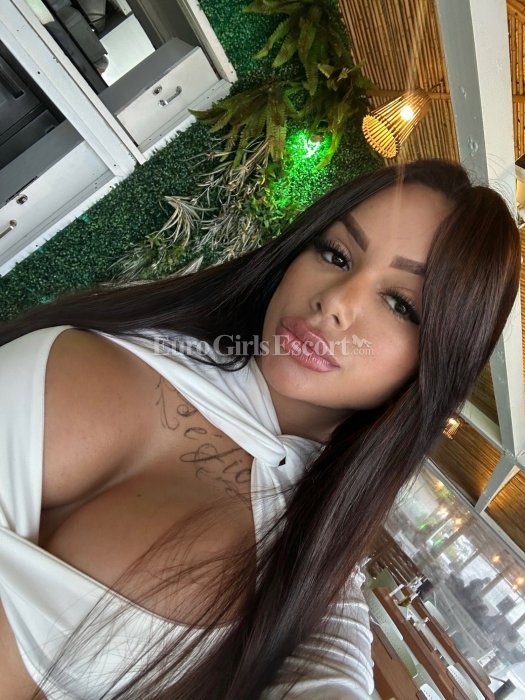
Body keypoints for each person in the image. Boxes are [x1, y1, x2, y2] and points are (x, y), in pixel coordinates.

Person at [0, 158, 520, 699]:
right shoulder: (148, 327)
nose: (335, 302)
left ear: (431, 364)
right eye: (336, 254)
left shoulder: (305, 581)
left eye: (400, 304)